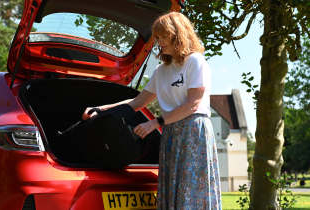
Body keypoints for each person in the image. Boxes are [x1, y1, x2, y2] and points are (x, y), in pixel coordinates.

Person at [82, 11, 222, 210]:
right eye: (157, 37)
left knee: (192, 193)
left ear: (177, 33)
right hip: (171, 133)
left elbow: (193, 104)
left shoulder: (195, 62)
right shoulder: (161, 71)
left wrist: (156, 122)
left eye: (162, 35)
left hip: (194, 133)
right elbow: (137, 102)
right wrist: (100, 109)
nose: (159, 41)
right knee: (173, 194)